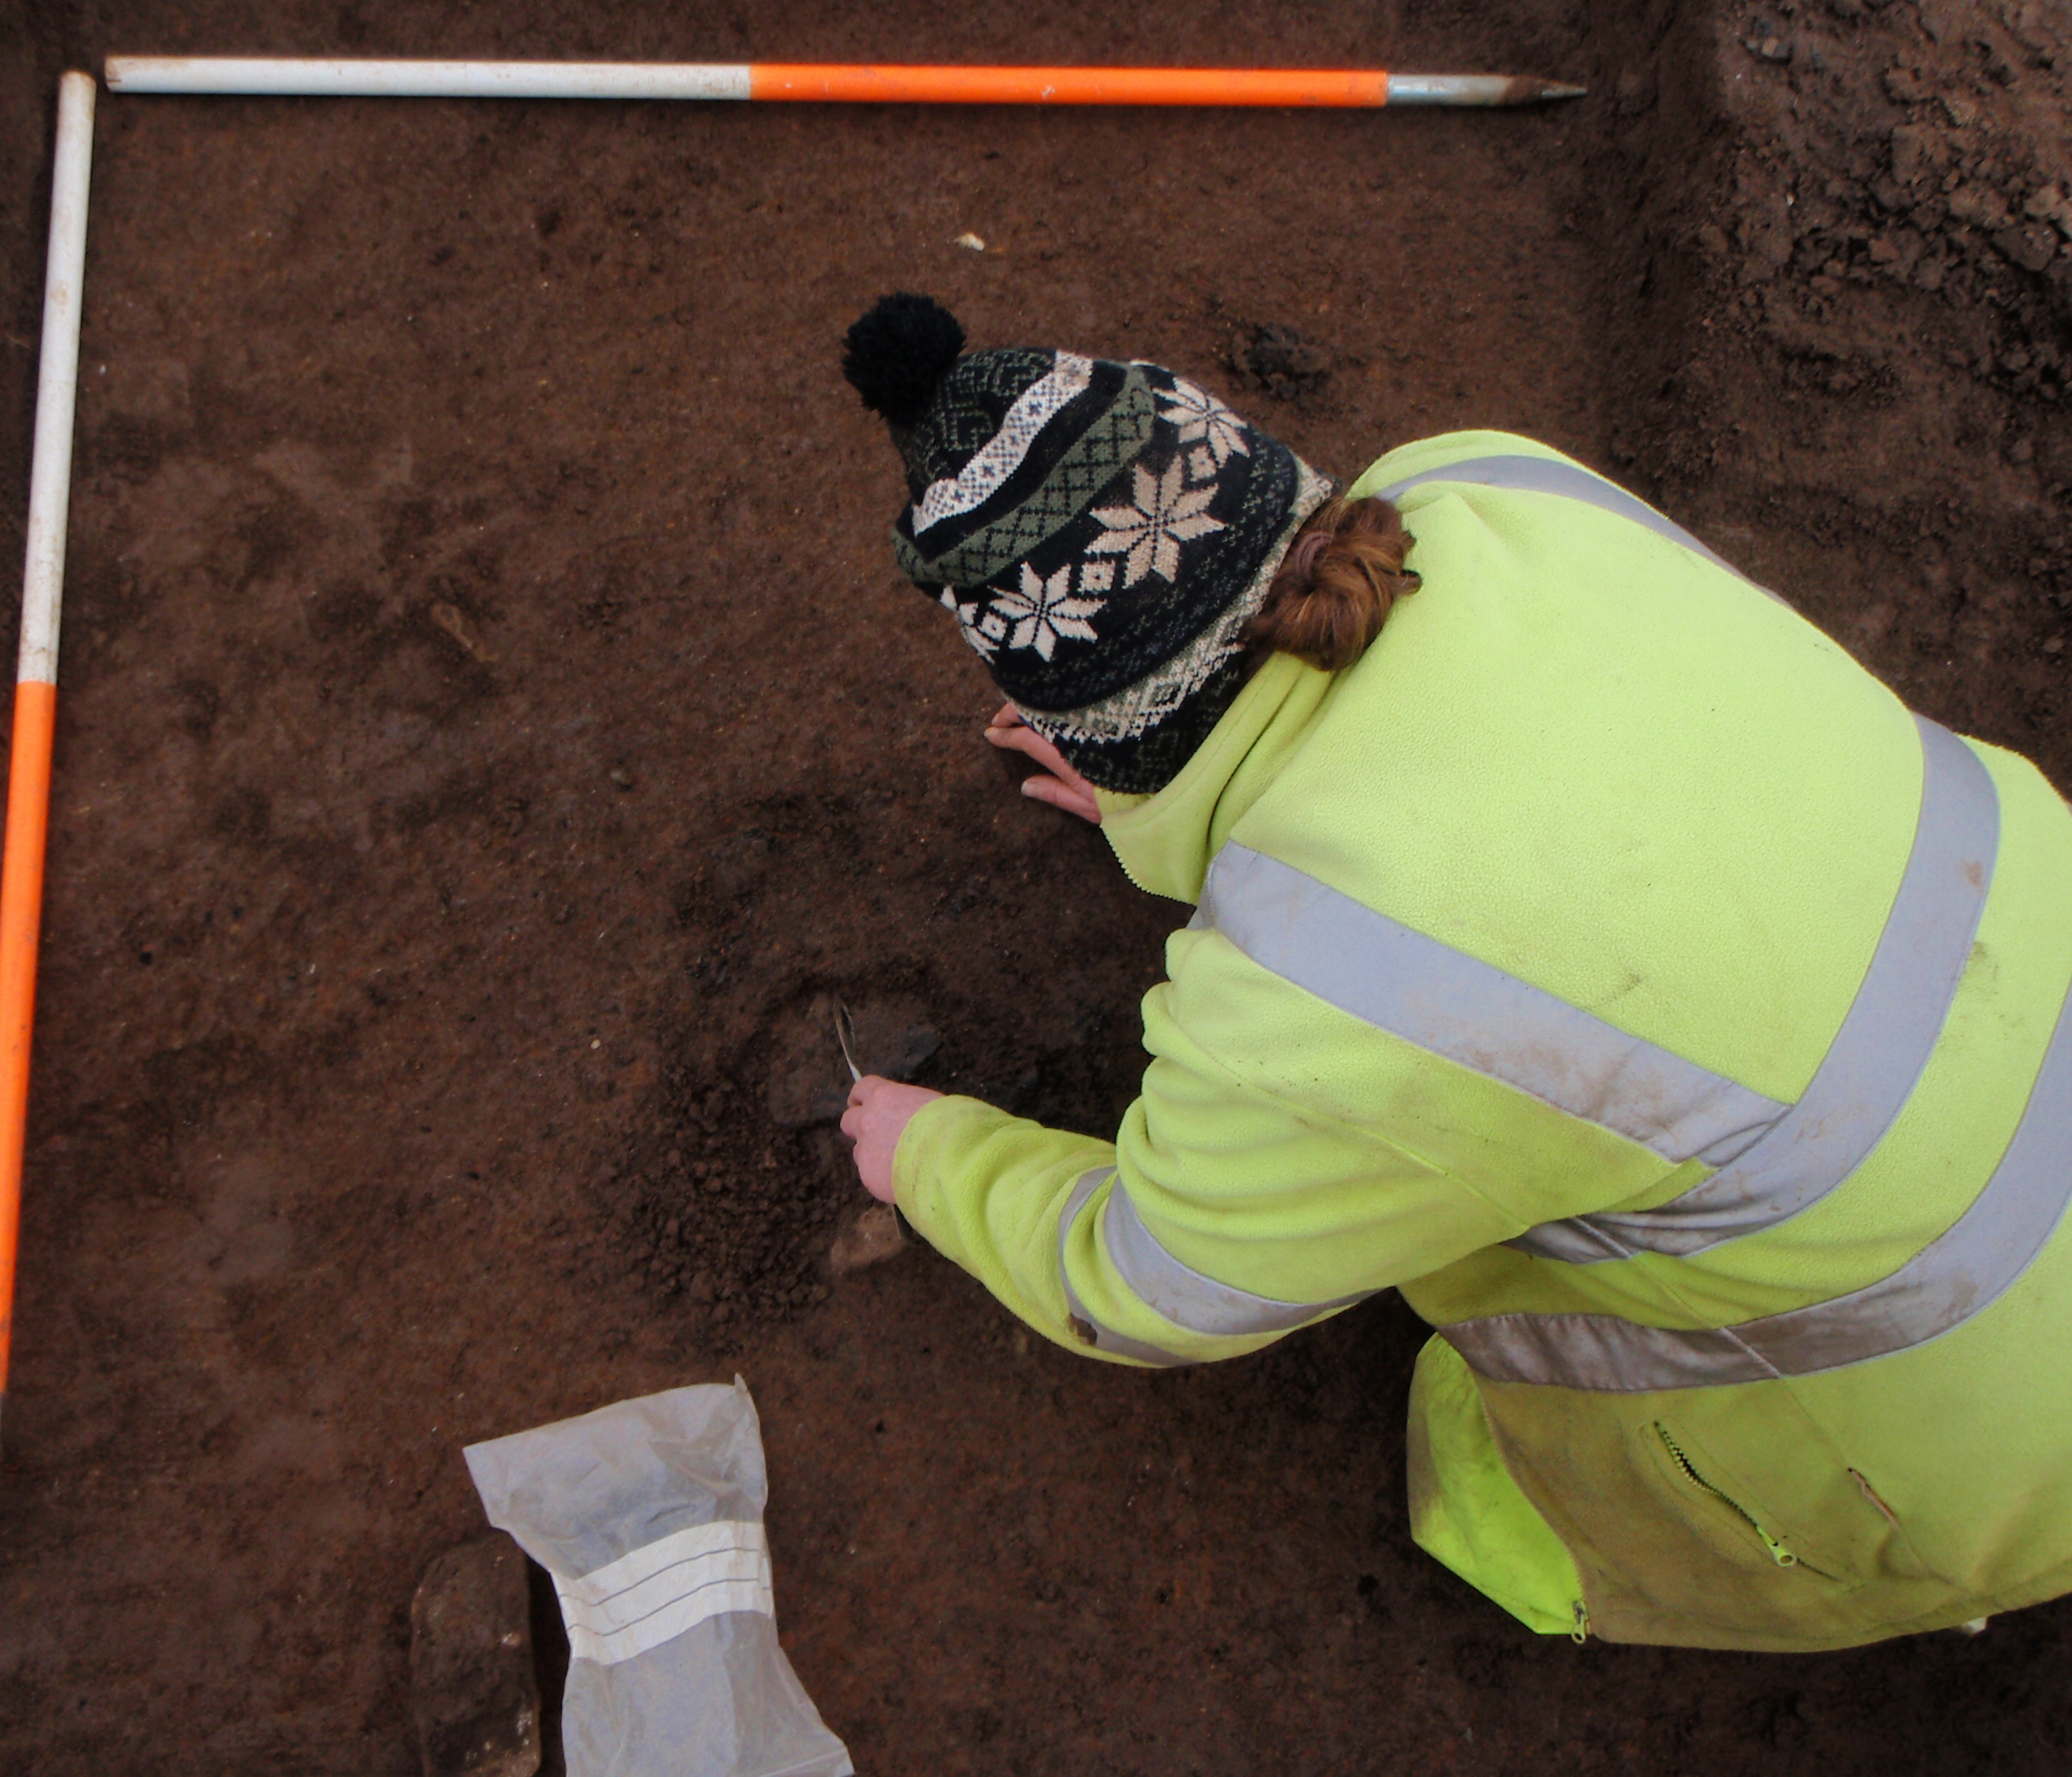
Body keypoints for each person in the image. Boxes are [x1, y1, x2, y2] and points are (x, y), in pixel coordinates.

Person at [832, 292, 2072, 1652]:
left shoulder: (1312, 1008)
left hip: (1998, 1453)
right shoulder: (1488, 481)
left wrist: (937, 1158)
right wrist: (1170, 791)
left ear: (1106, 724)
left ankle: (1579, 1554)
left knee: (1534, 1458)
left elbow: (1143, 1283)